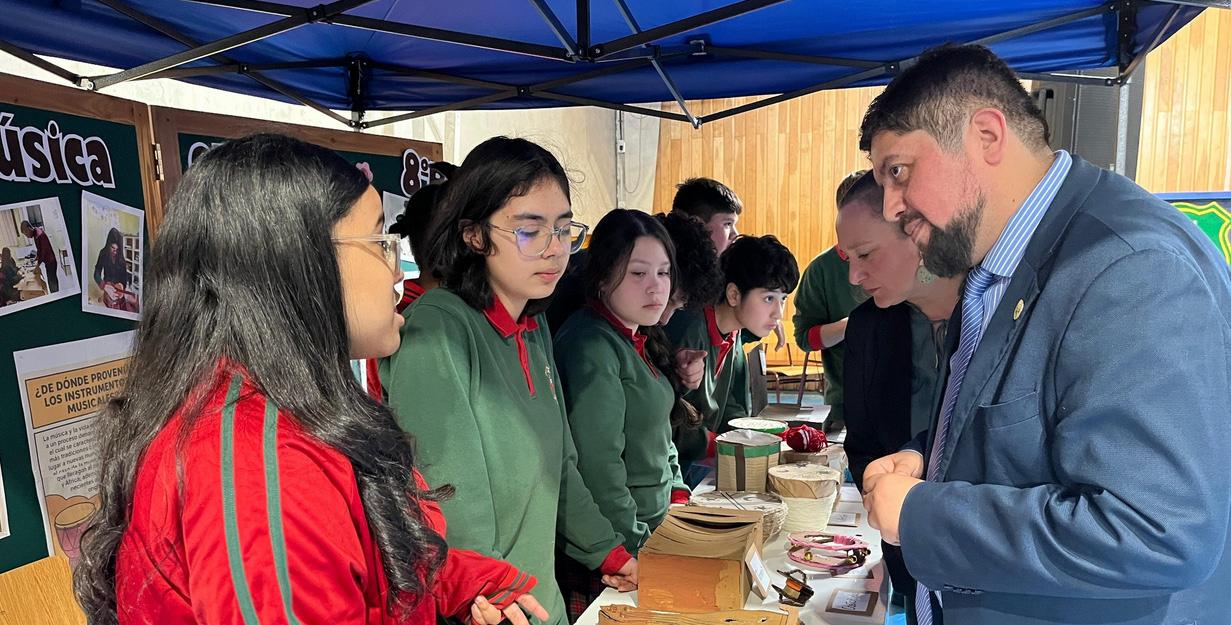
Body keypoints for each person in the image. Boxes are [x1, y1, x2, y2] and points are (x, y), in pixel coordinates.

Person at [73, 134, 547, 625]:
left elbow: (370, 559)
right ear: (296, 262)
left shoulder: (284, 407)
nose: (398, 273)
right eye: (380, 243)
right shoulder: (257, 466)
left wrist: (466, 582)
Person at [858, 44, 1231, 625]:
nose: (890, 207)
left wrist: (922, 515)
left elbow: (1157, 530)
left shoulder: (1128, 266)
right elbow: (1022, 423)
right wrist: (925, 457)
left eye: (899, 172)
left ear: (986, 135)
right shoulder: (1001, 264)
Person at [382, 136, 638, 625]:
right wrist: (492, 594)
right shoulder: (439, 326)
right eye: (530, 231)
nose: (555, 249)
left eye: (563, 229)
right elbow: (451, 495)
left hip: (542, 604)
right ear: (474, 236)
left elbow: (560, 468)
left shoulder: (533, 323)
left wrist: (610, 554)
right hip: (494, 611)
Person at [553, 209, 696, 622]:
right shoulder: (591, 345)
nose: (656, 287)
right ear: (602, 278)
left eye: (664, 273)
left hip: (655, 530)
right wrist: (633, 547)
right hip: (620, 551)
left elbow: (660, 435)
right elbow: (599, 467)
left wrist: (677, 494)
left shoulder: (636, 336)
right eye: (638, 273)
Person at [835, 170, 963, 621]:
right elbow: (862, 439)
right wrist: (883, 504)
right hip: (902, 545)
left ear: (919, 234)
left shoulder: (990, 314)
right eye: (847, 257)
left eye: (866, 254)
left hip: (982, 557)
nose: (854, 275)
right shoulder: (869, 326)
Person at [666, 235, 800, 484]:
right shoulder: (689, 330)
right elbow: (665, 418)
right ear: (734, 294)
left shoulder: (734, 332)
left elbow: (733, 408)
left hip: (697, 465)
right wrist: (720, 443)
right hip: (670, 474)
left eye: (783, 300)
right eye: (768, 298)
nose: (778, 313)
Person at [792, 171, 871, 434]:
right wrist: (850, 326)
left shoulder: (904, 258)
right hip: (844, 406)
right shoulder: (821, 270)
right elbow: (805, 339)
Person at [93, 228, 137, 312]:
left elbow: (124, 276)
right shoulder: (103, 253)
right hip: (108, 285)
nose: (115, 252)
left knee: (127, 306)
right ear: (108, 245)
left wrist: (122, 286)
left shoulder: (120, 255)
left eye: (117, 249)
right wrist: (104, 286)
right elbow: (96, 273)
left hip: (119, 287)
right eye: (112, 248)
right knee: (111, 307)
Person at [20, 219, 58, 293]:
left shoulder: (39, 235)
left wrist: (37, 266)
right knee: (51, 280)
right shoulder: (36, 233)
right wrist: (36, 257)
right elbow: (39, 249)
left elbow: (43, 252)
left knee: (52, 282)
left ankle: (56, 296)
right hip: (48, 261)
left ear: (29, 228)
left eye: (26, 234)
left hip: (50, 261)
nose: (27, 236)